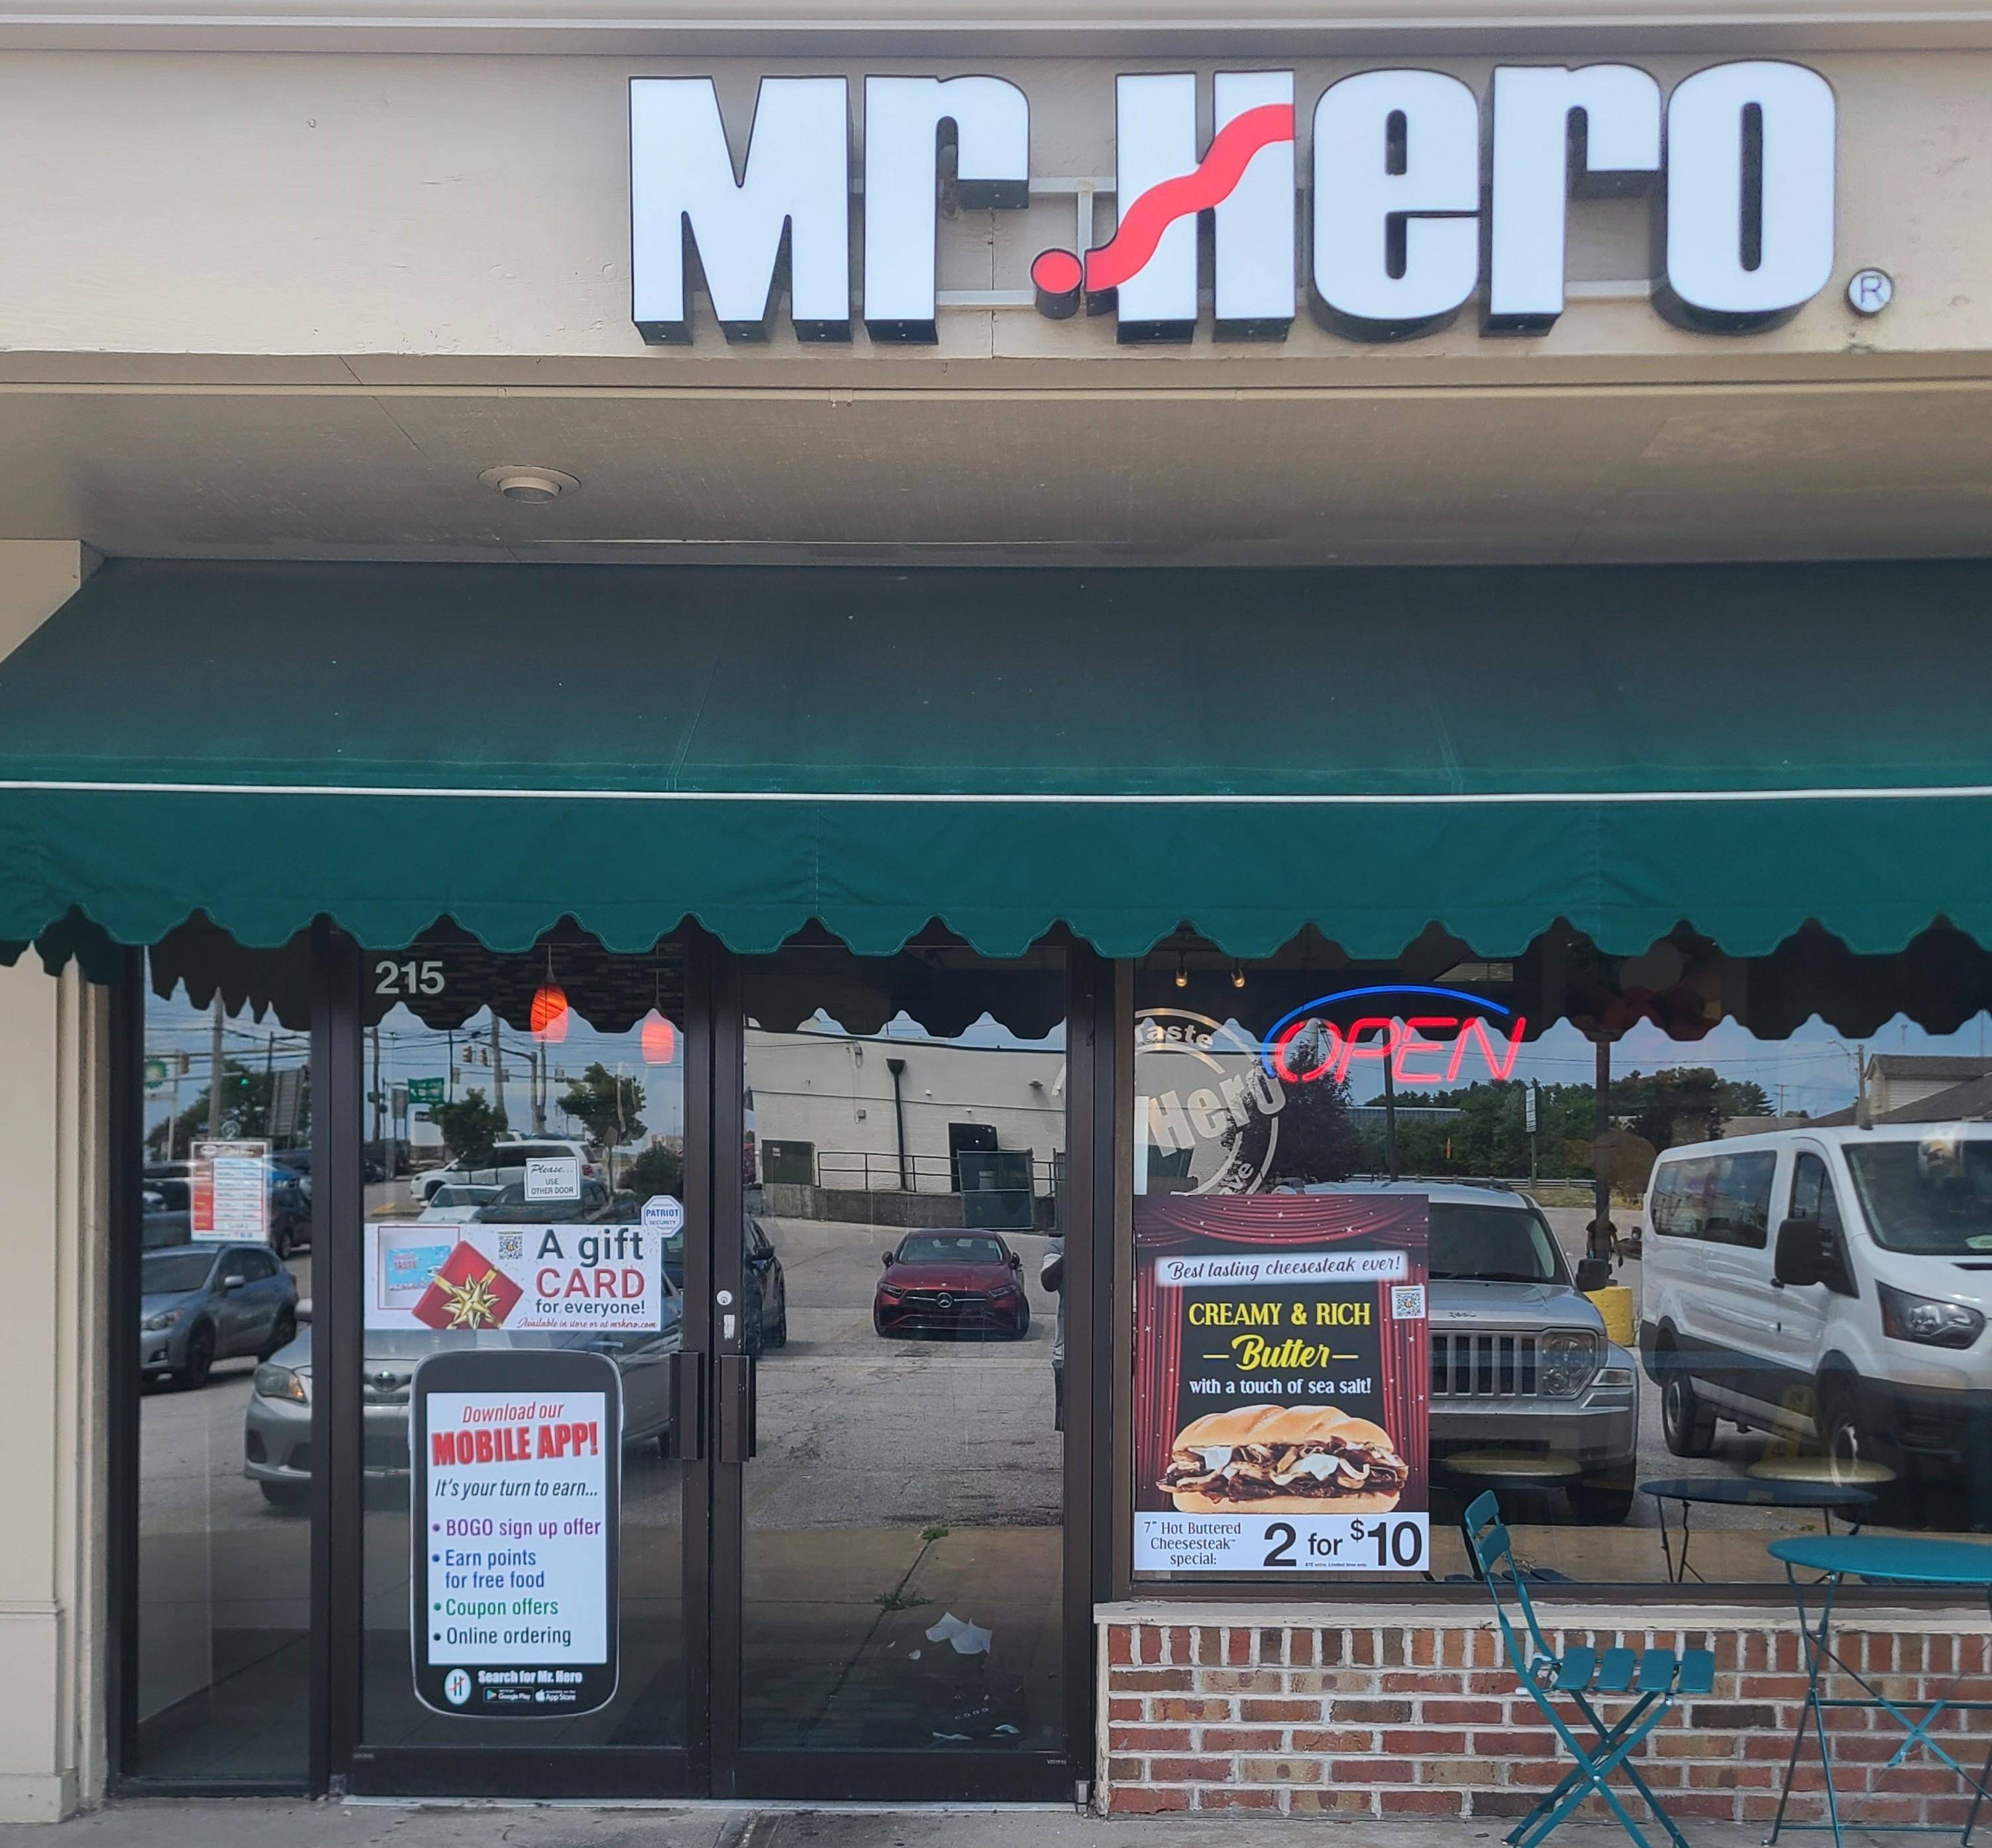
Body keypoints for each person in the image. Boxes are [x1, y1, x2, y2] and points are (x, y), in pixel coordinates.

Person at [1040, 1233, 1065, 1431]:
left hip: (1114, 1350)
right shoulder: (1059, 1246)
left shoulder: (1118, 1242)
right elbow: (1048, 1282)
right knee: (1069, 1422)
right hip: (1067, 1352)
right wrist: (1075, 1249)